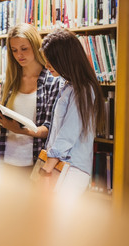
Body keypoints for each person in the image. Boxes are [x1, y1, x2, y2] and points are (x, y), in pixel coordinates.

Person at [0, 23, 60, 171]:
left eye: (24, 49)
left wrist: (21, 130)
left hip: (33, 164)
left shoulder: (51, 81)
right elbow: (4, 128)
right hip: (5, 161)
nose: (19, 55)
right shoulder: (9, 81)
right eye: (14, 50)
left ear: (35, 46)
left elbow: (50, 128)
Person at [40, 29, 105, 198]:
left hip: (70, 169)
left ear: (64, 59)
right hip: (60, 165)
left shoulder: (83, 89)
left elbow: (69, 133)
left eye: (50, 61)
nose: (46, 66)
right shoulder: (68, 85)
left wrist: (47, 168)